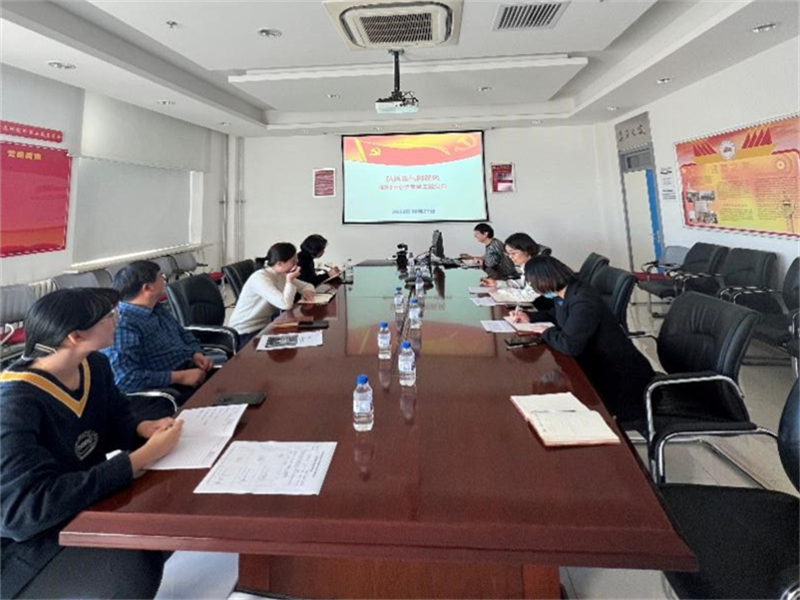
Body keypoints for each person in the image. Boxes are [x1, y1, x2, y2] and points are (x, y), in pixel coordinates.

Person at [0, 288, 183, 599]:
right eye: (109, 316)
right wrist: (135, 461)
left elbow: (112, 420)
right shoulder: (14, 403)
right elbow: (22, 513)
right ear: (75, 336)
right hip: (29, 547)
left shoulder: (94, 365)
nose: (117, 320)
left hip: (84, 507)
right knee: (138, 561)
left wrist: (141, 429)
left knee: (166, 520)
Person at [509, 256, 654, 422]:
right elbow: (557, 315)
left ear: (544, 279)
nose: (533, 287)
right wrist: (529, 317)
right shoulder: (566, 292)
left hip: (619, 380)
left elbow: (569, 345)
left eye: (532, 282)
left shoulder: (583, 300)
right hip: (596, 364)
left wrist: (545, 331)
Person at [103, 261, 216, 401]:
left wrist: (195, 353)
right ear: (148, 287)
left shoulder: (155, 307)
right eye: (161, 276)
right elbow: (125, 379)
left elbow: (182, 333)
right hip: (166, 393)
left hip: (190, 371)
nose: (164, 279)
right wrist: (180, 377)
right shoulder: (122, 324)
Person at [228, 242, 316, 341]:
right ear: (280, 263)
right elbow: (285, 305)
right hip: (244, 332)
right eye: (293, 262)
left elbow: (308, 286)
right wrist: (289, 280)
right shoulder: (260, 278)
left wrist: (307, 291)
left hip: (265, 326)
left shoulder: (281, 275)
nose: (297, 266)